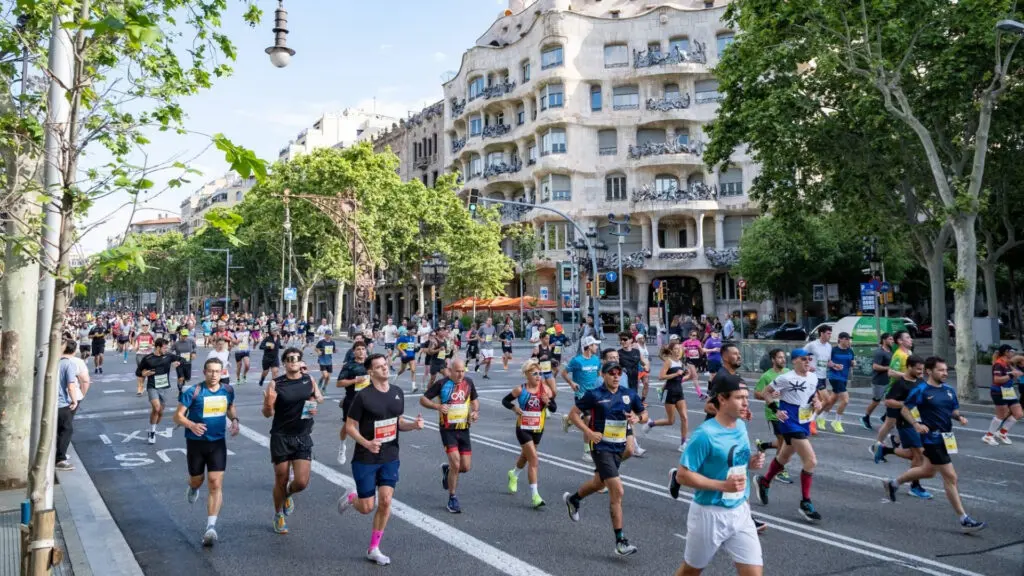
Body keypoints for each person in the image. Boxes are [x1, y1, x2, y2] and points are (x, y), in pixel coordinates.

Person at [669, 373, 765, 575]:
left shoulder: (740, 425)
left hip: (740, 510)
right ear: (722, 399)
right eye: (739, 398)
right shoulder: (705, 434)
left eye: (746, 397)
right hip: (709, 513)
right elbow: (682, 475)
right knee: (691, 571)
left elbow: (734, 461)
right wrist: (722, 486)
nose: (746, 403)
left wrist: (751, 462)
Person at [337, 353, 425, 566]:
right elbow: (350, 426)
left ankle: (374, 548)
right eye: (379, 366)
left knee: (385, 501)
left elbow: (398, 422)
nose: (385, 368)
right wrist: (366, 443)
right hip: (366, 457)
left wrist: (413, 426)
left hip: (390, 455)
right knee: (367, 507)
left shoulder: (397, 392)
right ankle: (352, 497)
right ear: (371, 372)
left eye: (386, 364)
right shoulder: (363, 397)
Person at [883, 357, 986, 532]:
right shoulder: (921, 390)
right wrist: (916, 424)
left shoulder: (949, 390)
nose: (945, 373)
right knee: (951, 477)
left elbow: (951, 410)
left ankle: (893, 483)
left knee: (928, 471)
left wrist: (959, 417)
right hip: (932, 438)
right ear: (929, 371)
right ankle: (964, 519)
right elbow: (905, 408)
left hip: (947, 437)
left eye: (946, 370)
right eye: (940, 370)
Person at [563, 360, 648, 557]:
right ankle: (620, 541)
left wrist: (638, 418)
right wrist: (589, 432)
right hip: (601, 446)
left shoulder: (628, 394)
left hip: (619, 447)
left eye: (619, 373)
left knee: (598, 483)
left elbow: (644, 413)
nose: (616, 376)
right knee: (617, 490)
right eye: (612, 373)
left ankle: (574, 499)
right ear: (603, 375)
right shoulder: (594, 395)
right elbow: (573, 415)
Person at [752, 349, 823, 522]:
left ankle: (764, 482)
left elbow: (813, 394)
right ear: (795, 361)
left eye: (809, 359)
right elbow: (765, 392)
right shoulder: (786, 378)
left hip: (804, 420)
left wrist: (817, 402)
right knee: (811, 461)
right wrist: (776, 410)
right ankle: (805, 502)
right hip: (789, 420)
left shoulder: (813, 377)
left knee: (785, 456)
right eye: (803, 359)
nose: (807, 362)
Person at [175, 357, 239, 547]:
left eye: (217, 371)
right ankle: (193, 488)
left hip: (217, 443)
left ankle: (211, 527)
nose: (213, 375)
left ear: (222, 372)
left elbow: (230, 407)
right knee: (197, 480)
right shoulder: (194, 391)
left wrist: (235, 420)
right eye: (210, 371)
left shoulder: (227, 390)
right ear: (204, 372)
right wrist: (191, 425)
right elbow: (177, 416)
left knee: (215, 482)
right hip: (196, 444)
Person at [261, 347, 323, 534]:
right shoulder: (275, 384)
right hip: (281, 436)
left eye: (296, 358)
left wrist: (314, 403)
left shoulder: (309, 380)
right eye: (289, 358)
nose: (293, 361)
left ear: (301, 361)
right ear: (284, 363)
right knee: (281, 477)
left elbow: (319, 398)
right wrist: (268, 403)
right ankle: (278, 514)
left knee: (301, 482)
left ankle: (287, 494)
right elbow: (267, 414)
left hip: (302, 435)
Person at [420, 359, 480, 513]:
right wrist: (437, 406)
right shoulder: (442, 384)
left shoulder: (469, 382)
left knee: (465, 467)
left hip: (464, 429)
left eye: (463, 371)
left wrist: (475, 412)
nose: (460, 374)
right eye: (457, 371)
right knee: (456, 463)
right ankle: (452, 498)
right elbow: (423, 399)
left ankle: (448, 471)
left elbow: (474, 401)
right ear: (450, 370)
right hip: (447, 430)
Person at [503, 358, 553, 508]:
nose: (538, 377)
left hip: (538, 428)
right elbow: (505, 401)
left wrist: (548, 402)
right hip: (523, 428)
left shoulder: (545, 389)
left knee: (526, 456)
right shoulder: (520, 389)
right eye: (534, 374)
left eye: (540, 374)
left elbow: (554, 408)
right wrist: (514, 408)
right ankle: (535, 496)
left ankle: (514, 474)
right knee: (534, 459)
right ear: (527, 375)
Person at [752, 349, 792, 484]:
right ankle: (779, 471)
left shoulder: (788, 372)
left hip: (789, 411)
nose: (783, 359)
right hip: (774, 413)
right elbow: (757, 394)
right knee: (784, 441)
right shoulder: (767, 376)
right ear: (773, 360)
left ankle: (763, 445)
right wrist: (769, 394)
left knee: (788, 441)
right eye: (779, 357)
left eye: (784, 357)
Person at [560, 336, 603, 462]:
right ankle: (586, 451)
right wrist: (572, 383)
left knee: (593, 419)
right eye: (595, 345)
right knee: (588, 419)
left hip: (595, 395)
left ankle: (569, 420)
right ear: (588, 346)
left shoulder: (596, 359)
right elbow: (564, 373)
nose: (597, 347)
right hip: (581, 394)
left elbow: (599, 375)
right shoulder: (577, 361)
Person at [136, 338, 186, 445]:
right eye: (164, 348)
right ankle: (152, 433)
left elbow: (182, 359)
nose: (166, 349)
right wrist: (144, 373)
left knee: (160, 413)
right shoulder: (148, 358)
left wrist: (177, 363)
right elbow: (138, 371)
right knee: (156, 408)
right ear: (158, 347)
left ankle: (152, 428)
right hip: (152, 386)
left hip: (164, 387)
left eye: (167, 348)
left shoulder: (168, 356)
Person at [336, 341, 370, 465]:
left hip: (368, 400)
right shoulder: (349, 366)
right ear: (354, 352)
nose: (361, 351)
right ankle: (342, 446)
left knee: (368, 426)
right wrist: (355, 380)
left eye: (363, 349)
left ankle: (366, 451)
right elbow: (339, 383)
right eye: (358, 349)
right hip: (352, 399)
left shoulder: (370, 364)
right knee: (348, 426)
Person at [982, 344, 1020, 446]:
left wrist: (1016, 373)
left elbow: (1012, 374)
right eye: (1012, 351)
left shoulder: (1008, 363)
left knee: (1018, 413)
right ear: (1006, 352)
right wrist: (1011, 375)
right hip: (998, 392)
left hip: (1009, 391)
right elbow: (997, 379)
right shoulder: (999, 364)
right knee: (1001, 415)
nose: (1013, 353)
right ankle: (988, 436)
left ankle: (1002, 433)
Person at [56, 340, 84, 471]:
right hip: (62, 402)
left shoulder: (55, 362)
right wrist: (74, 400)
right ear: (74, 351)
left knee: (58, 430)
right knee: (66, 429)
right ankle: (60, 459)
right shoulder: (69, 364)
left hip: (53, 402)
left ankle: (57, 454)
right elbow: (71, 385)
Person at [803, 326, 835, 434]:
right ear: (821, 333)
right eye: (828, 333)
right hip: (813, 376)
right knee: (827, 399)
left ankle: (809, 420)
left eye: (830, 333)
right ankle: (812, 421)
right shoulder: (812, 345)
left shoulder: (829, 346)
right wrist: (807, 366)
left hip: (822, 376)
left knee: (817, 402)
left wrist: (835, 365)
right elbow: (801, 356)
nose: (830, 335)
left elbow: (827, 361)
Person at [823, 332, 856, 433]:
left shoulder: (850, 351)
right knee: (845, 400)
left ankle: (821, 417)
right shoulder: (833, 350)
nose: (848, 341)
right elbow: (826, 362)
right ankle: (837, 422)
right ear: (840, 339)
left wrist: (853, 363)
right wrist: (834, 365)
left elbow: (852, 362)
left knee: (833, 399)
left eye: (849, 339)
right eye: (846, 339)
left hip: (844, 377)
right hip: (834, 376)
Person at [862, 333, 894, 430]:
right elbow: (875, 366)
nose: (892, 341)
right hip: (879, 381)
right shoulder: (879, 352)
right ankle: (865, 418)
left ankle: (885, 417)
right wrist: (888, 368)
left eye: (892, 339)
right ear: (884, 340)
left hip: (889, 380)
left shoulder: (890, 351)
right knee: (876, 401)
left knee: (892, 400)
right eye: (890, 339)